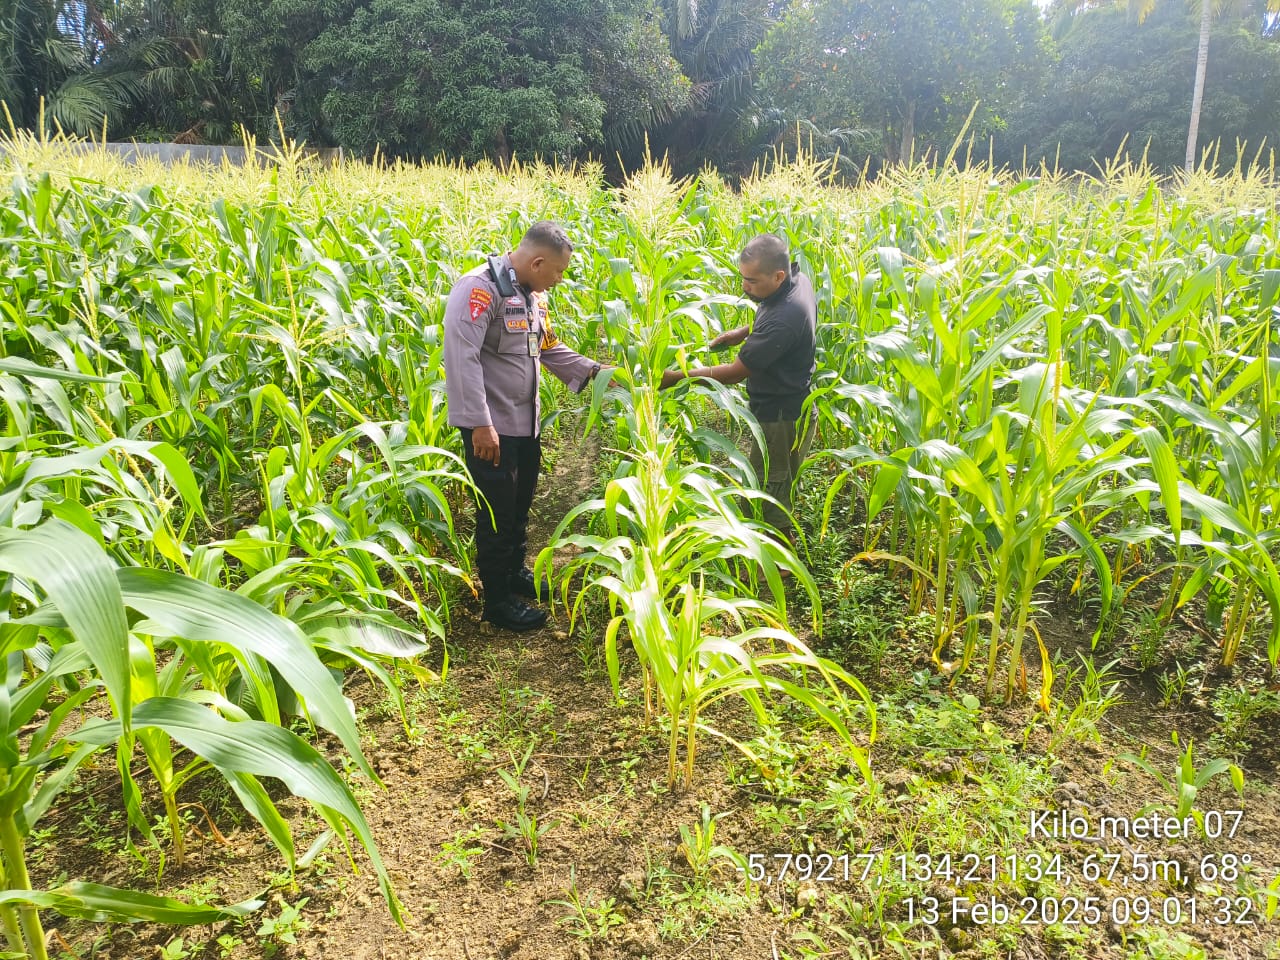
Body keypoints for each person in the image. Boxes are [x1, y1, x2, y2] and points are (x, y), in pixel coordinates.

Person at [443, 221, 610, 631]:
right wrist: (480, 425)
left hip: (525, 424)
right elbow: (461, 358)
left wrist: (598, 372)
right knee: (497, 513)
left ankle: (514, 573)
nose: (559, 279)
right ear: (537, 262)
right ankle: (497, 601)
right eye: (557, 271)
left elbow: (548, 347)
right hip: (491, 429)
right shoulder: (479, 289)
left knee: (519, 506)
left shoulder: (534, 297)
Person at [660, 234, 817, 542]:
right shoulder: (798, 280)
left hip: (781, 415)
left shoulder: (785, 318)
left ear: (778, 275)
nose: (745, 286)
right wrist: (743, 332)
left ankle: (779, 558)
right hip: (790, 403)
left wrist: (674, 377)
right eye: (743, 277)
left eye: (752, 281)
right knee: (775, 476)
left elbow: (734, 373)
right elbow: (772, 313)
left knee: (772, 482)